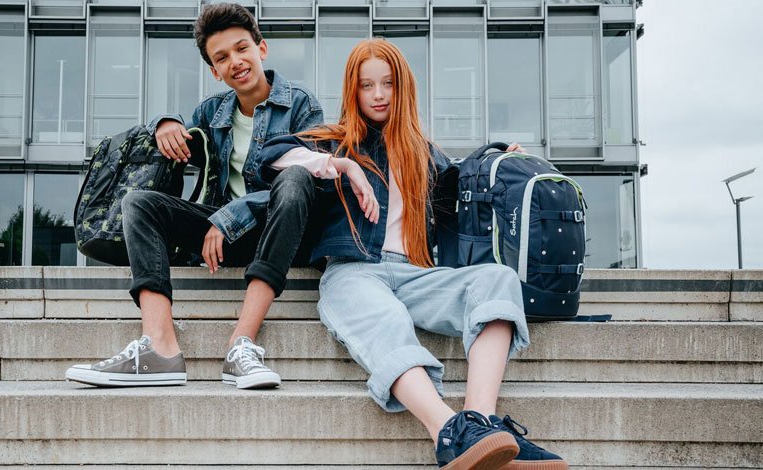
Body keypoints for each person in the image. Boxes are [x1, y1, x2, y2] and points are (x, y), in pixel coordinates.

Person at [258, 39, 567, 470]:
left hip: (416, 275)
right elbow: (268, 156)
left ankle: (482, 424)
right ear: (354, 90)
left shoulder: (424, 154)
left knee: (496, 279)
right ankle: (448, 431)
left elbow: (467, 173)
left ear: (403, 88)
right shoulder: (334, 141)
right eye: (367, 85)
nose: (379, 94)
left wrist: (501, 154)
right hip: (354, 271)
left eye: (387, 84)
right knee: (386, 320)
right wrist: (342, 166)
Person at [66, 3, 323, 390]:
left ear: (262, 49)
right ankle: (159, 346)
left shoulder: (301, 103)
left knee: (298, 176)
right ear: (213, 70)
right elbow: (179, 133)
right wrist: (163, 123)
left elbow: (316, 178)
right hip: (220, 241)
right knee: (139, 203)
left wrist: (230, 214)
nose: (235, 61)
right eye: (222, 57)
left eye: (242, 49)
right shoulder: (211, 111)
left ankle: (242, 344)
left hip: (280, 237)